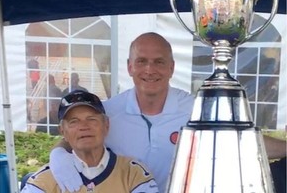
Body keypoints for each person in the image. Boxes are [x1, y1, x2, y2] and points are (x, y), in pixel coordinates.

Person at [50, 32, 287, 193]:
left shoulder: (195, 108)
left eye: (159, 62)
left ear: (172, 67)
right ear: (129, 67)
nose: (150, 69)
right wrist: (57, 157)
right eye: (141, 61)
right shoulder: (109, 111)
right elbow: (73, 136)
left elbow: (242, 142)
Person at [22, 90, 159, 193]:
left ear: (106, 125)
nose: (84, 126)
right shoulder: (45, 179)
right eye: (74, 122)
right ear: (63, 131)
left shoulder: (133, 173)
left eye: (92, 119)